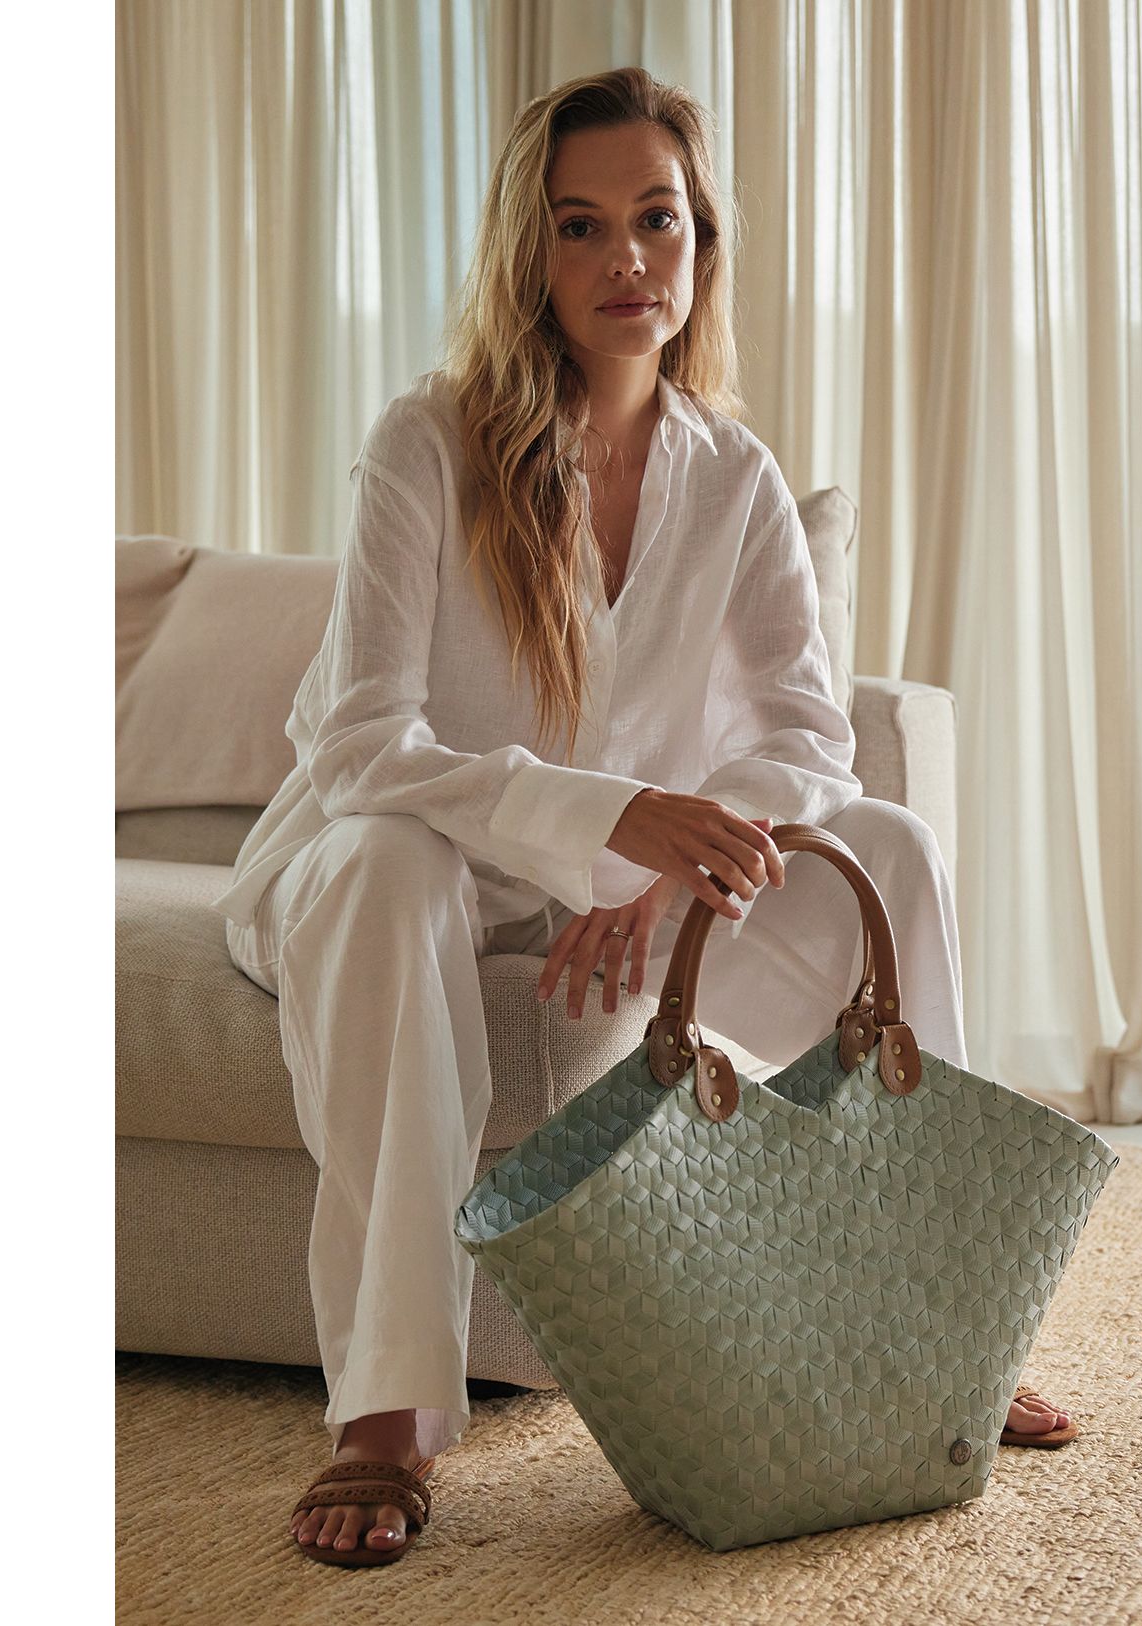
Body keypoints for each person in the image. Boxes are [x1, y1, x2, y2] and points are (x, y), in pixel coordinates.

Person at [209, 67, 1073, 1568]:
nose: (626, 259)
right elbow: (361, 744)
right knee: (389, 868)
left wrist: (671, 875)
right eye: (581, 225)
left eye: (656, 220)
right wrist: (618, 819)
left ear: (700, 241)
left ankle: (943, 1323)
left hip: (617, 889)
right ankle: (387, 1414)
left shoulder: (731, 473)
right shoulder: (429, 440)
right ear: (529, 253)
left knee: (889, 845)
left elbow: (806, 734)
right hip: (400, 857)